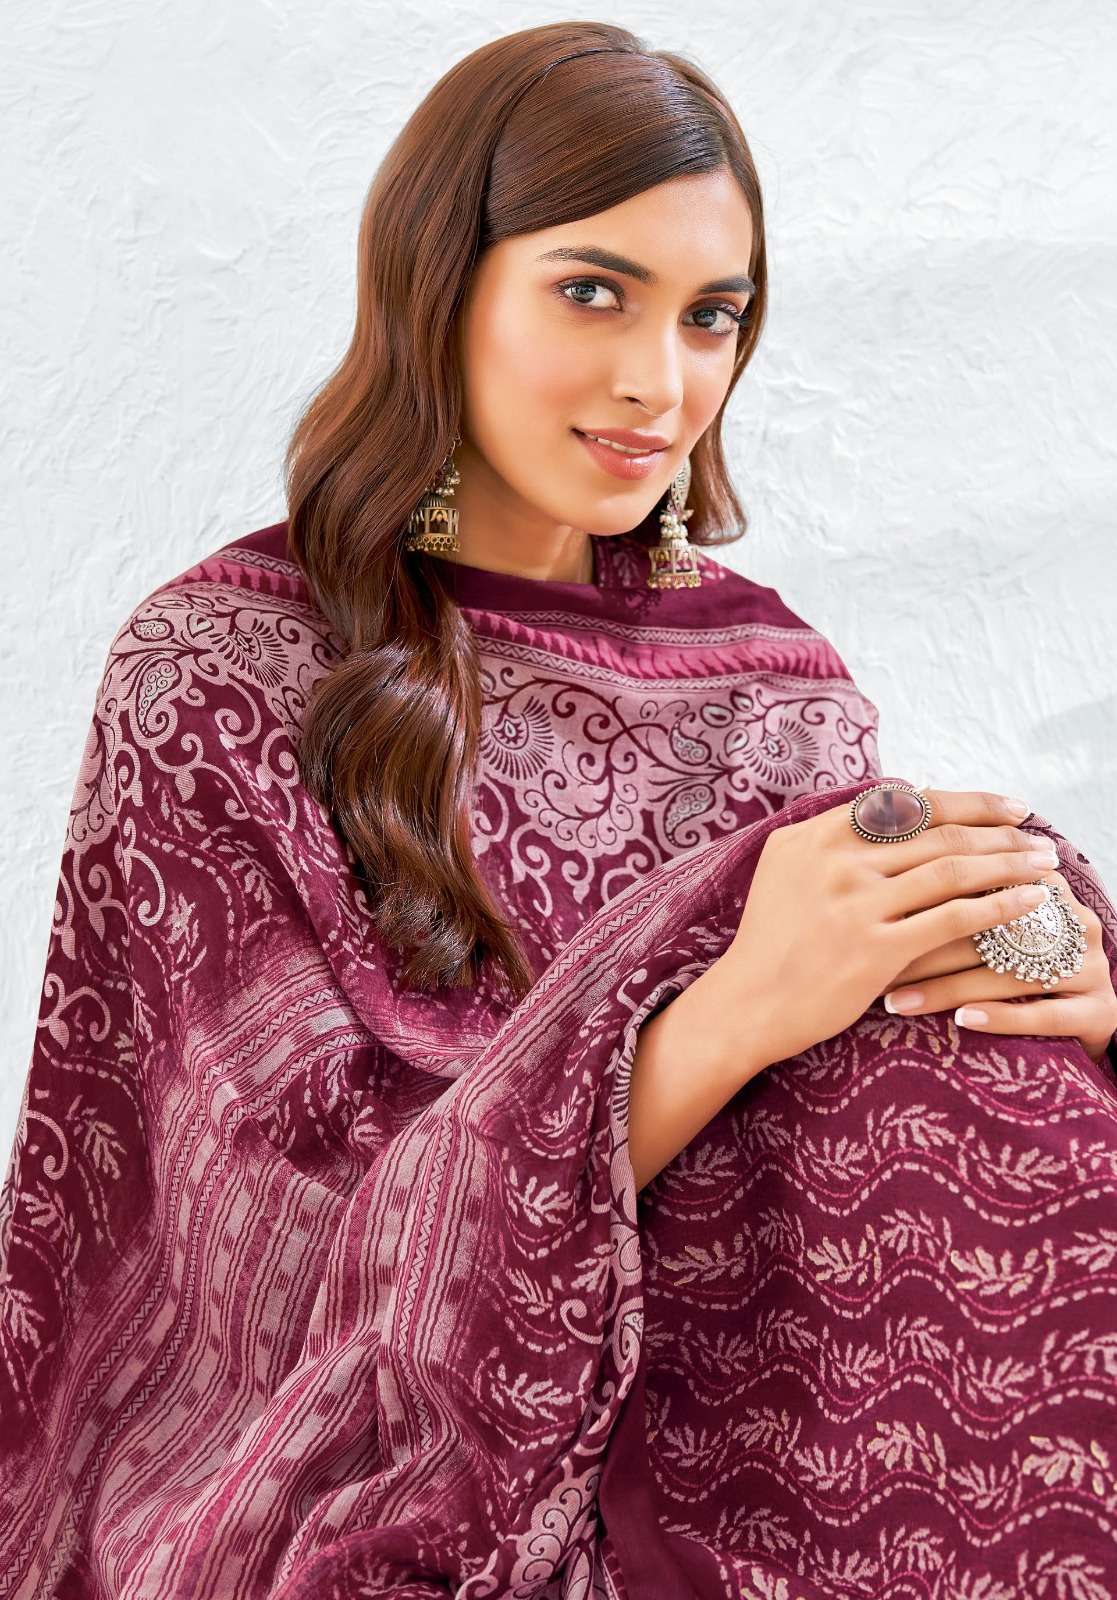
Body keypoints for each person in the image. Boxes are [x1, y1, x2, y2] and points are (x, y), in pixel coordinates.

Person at [3, 21, 1116, 1600]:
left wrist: (1044, 966)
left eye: (712, 315)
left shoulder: (773, 679)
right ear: (439, 286)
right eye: (593, 291)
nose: (658, 382)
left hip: (780, 1427)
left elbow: (852, 1092)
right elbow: (265, 1261)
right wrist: (729, 1012)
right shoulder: (220, 677)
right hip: (420, 1473)